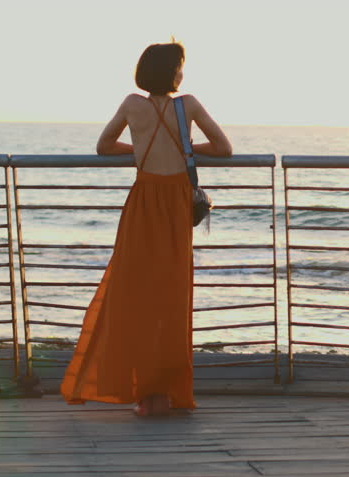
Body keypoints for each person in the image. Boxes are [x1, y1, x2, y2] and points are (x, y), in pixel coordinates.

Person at [60, 42, 232, 416]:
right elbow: (223, 147)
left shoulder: (131, 104)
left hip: (142, 204)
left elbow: (104, 146)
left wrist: (139, 150)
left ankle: (145, 395)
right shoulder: (188, 104)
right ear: (172, 72)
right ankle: (167, 394)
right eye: (180, 67)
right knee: (171, 301)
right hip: (173, 207)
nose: (182, 74)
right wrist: (186, 150)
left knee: (133, 295)